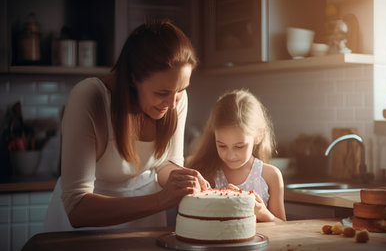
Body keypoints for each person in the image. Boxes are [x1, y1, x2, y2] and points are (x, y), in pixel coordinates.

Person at [42, 19, 209, 232]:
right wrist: (161, 200)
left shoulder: (175, 98)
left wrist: (182, 179)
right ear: (132, 78)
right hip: (85, 233)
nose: (172, 103)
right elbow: (76, 208)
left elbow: (166, 164)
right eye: (161, 93)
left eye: (181, 90)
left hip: (144, 225)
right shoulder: (90, 97)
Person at [187, 89, 286, 222]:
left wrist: (263, 213)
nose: (230, 155)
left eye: (239, 146)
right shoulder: (205, 172)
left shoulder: (271, 176)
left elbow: (283, 226)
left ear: (258, 136)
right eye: (222, 145)